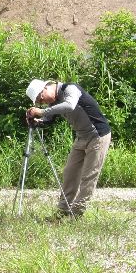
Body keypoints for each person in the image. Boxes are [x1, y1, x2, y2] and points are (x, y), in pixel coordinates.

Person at [26, 79, 111, 218]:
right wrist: (38, 121)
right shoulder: (53, 101)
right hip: (81, 137)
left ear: (44, 90)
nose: (44, 104)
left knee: (89, 176)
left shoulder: (70, 89)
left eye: (41, 101)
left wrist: (42, 111)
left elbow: (69, 106)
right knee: (69, 173)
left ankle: (76, 213)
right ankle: (63, 211)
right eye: (41, 104)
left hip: (98, 136)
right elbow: (49, 118)